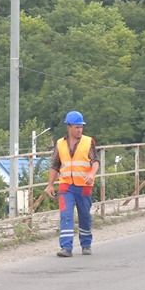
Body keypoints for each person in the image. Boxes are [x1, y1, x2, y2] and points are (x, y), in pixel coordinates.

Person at [45, 111, 99, 258]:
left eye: (81, 127)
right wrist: (50, 184)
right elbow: (55, 166)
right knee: (66, 215)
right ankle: (66, 247)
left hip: (84, 186)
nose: (80, 130)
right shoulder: (60, 144)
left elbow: (95, 162)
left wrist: (91, 174)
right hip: (66, 186)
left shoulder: (89, 142)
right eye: (76, 127)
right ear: (69, 127)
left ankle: (86, 244)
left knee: (84, 215)